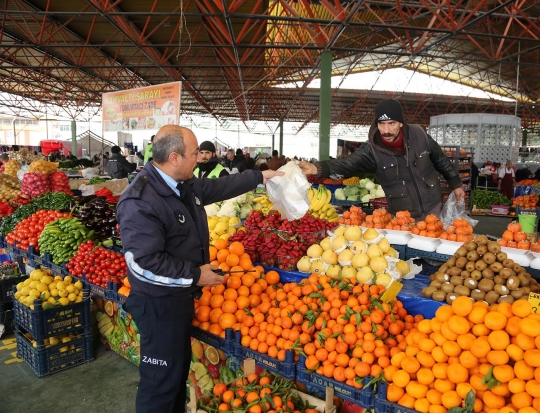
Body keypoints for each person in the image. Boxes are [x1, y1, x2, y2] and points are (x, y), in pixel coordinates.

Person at [116, 125, 282, 413]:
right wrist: (195, 275)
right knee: (160, 386)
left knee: (175, 378)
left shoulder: (182, 185)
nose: (200, 159)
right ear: (175, 157)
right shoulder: (141, 200)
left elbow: (217, 187)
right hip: (158, 305)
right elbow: (143, 264)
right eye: (195, 154)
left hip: (179, 299)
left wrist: (259, 176)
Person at [298, 99, 464, 219]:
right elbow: (348, 163)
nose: (386, 130)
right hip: (401, 215)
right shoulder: (371, 150)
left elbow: (440, 159)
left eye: (391, 123)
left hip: (433, 206)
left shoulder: (419, 135)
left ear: (400, 123)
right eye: (381, 124)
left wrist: (456, 184)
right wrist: (317, 169)